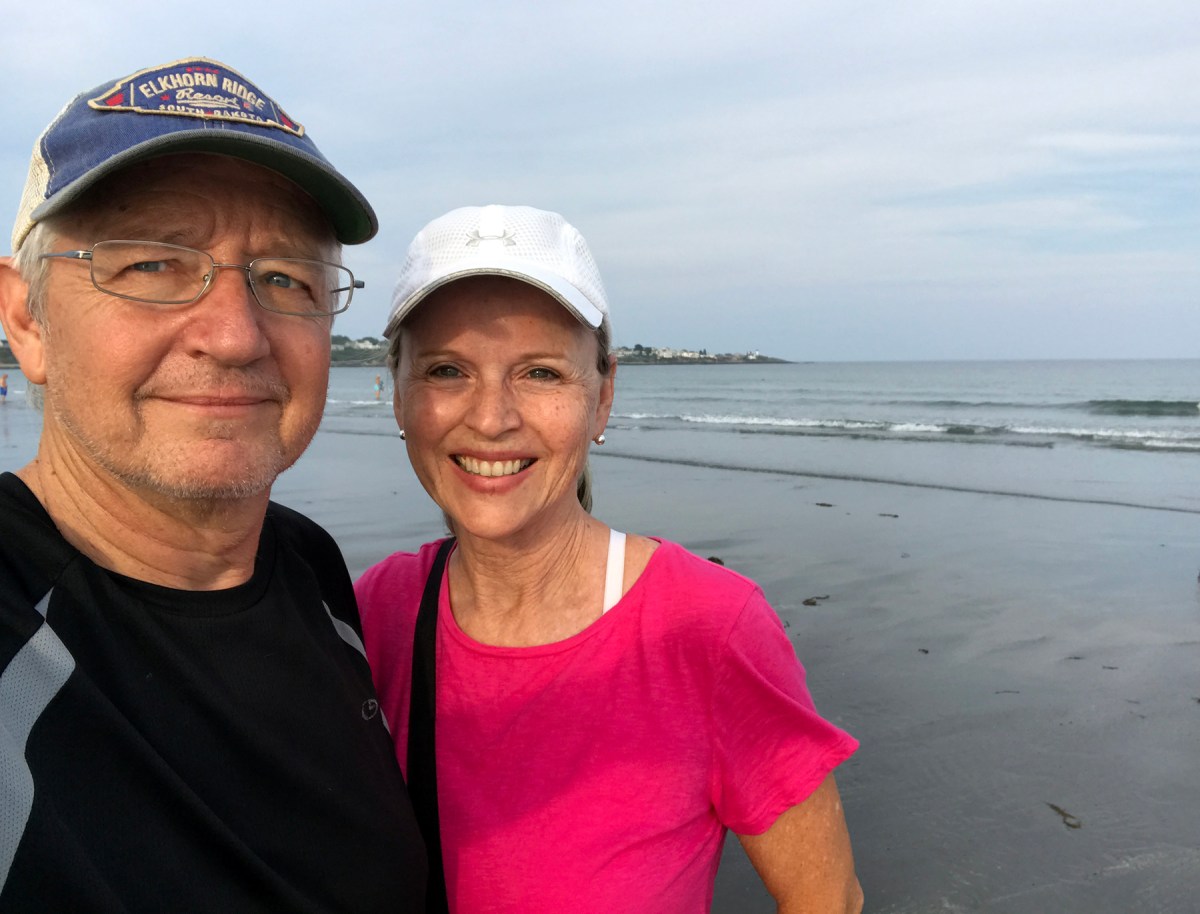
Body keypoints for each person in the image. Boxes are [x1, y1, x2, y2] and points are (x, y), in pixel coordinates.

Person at [0, 58, 426, 911]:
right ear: (26, 319)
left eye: (285, 278)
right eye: (153, 264)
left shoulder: (305, 564)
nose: (235, 335)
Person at [356, 205, 863, 913]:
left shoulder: (707, 627)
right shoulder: (371, 615)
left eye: (540, 373)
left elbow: (828, 899)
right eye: (447, 370)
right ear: (400, 399)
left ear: (602, 399)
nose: (492, 417)